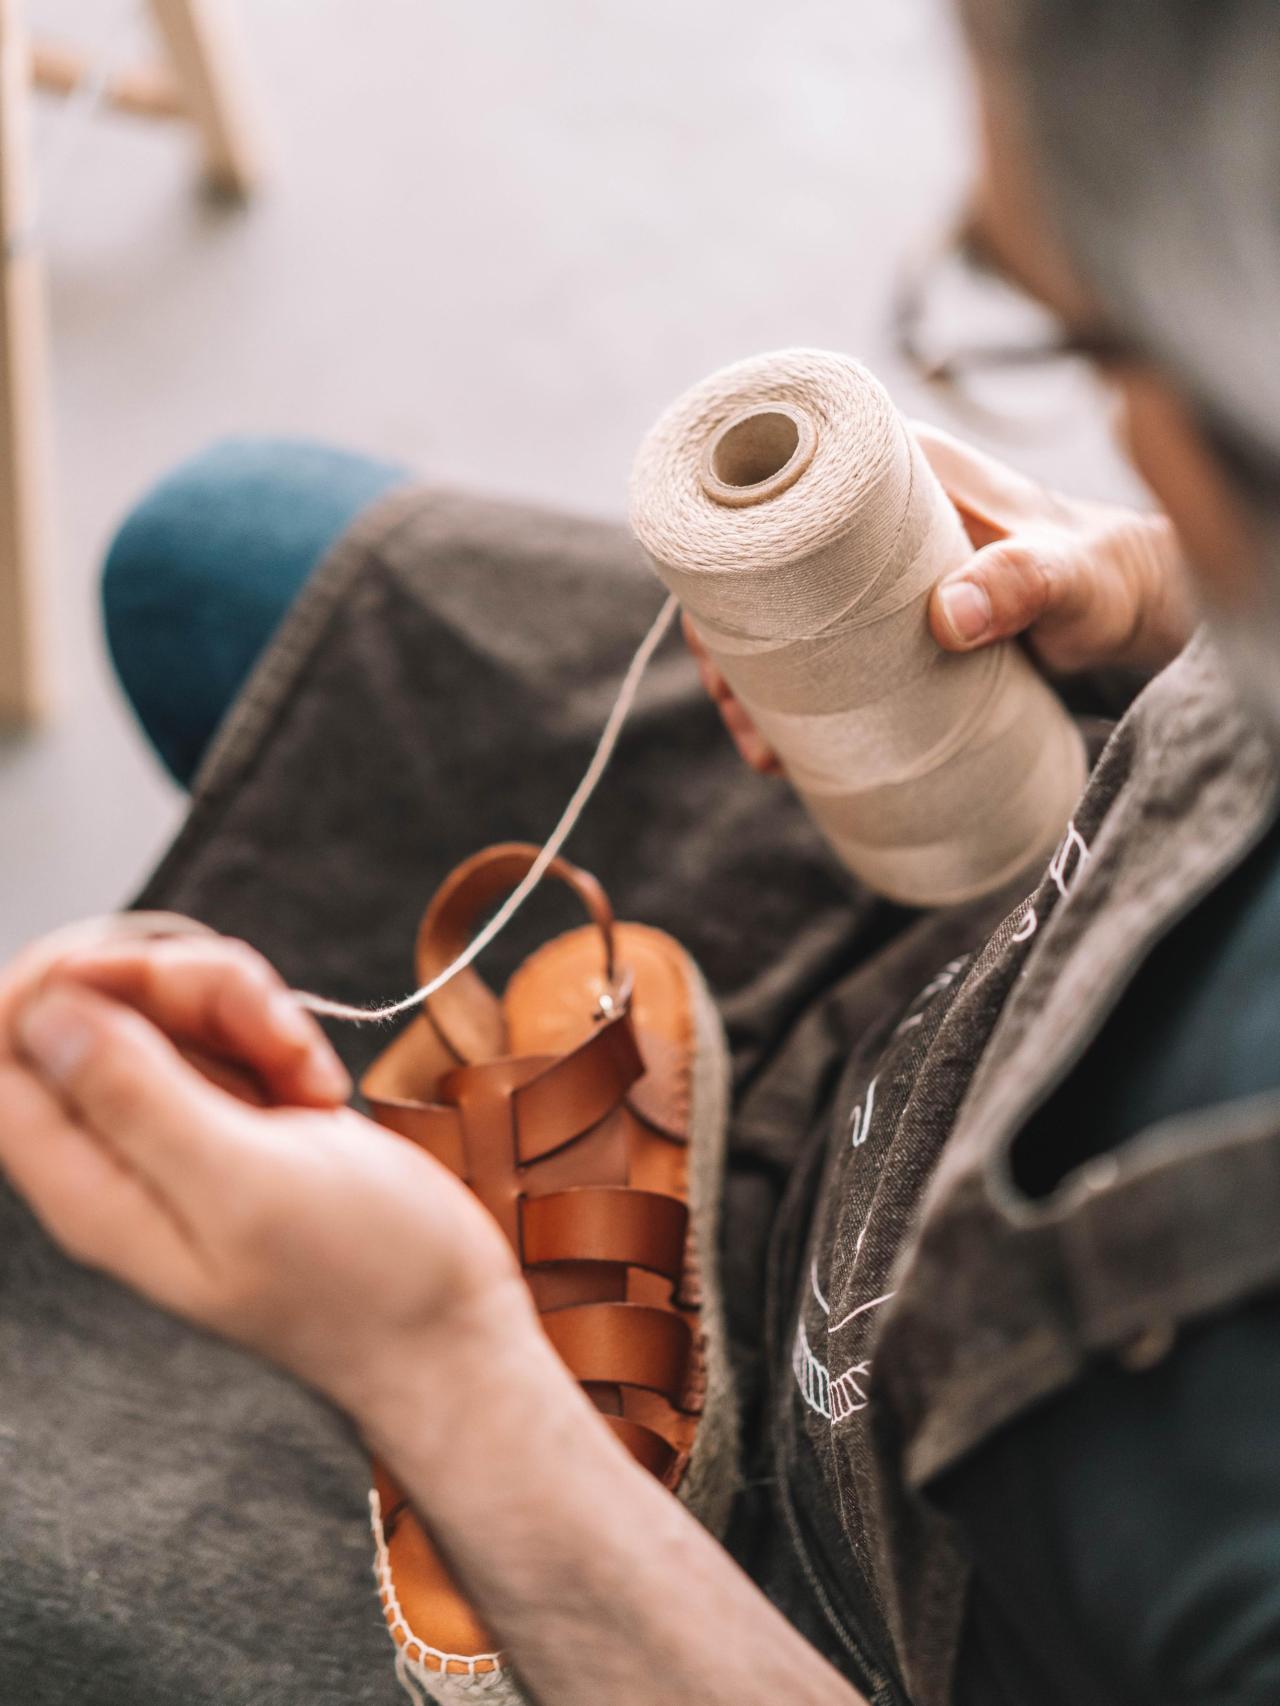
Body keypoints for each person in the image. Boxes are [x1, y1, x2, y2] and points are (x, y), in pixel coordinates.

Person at [2, 1, 1279, 1701]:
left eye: (1099, 348)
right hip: (988, 911)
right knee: (203, 549)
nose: (1107, 415)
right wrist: (1165, 597)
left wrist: (448, 1381)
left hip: (860, 1557)